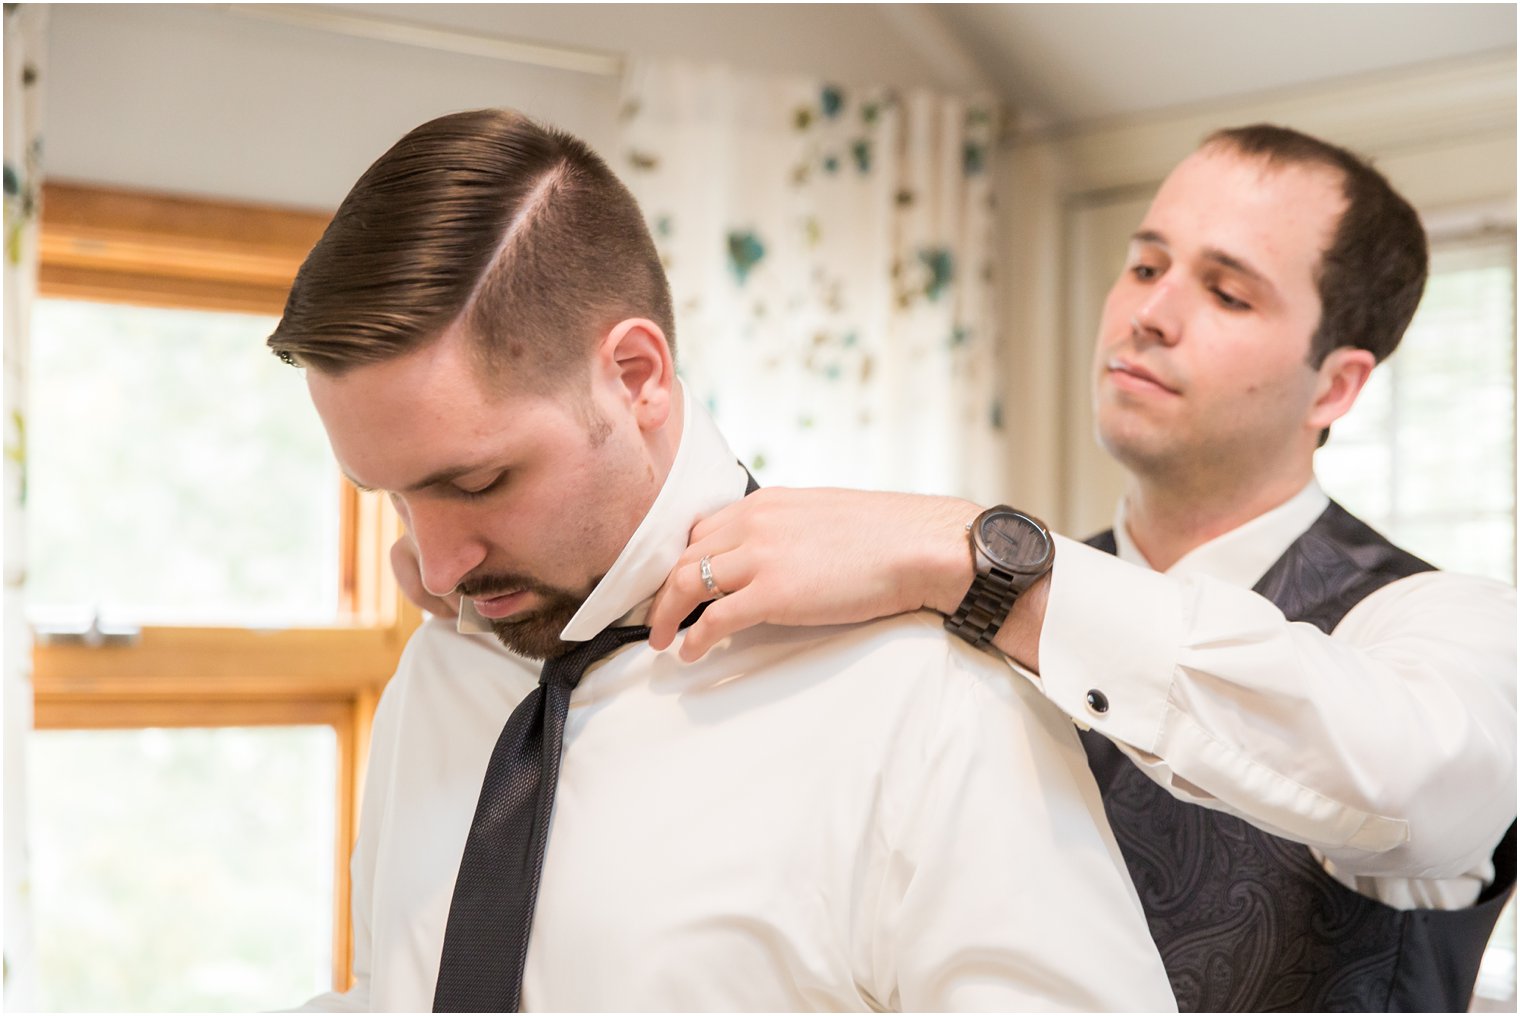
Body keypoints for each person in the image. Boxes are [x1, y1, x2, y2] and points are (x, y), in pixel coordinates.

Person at [397, 123, 1519, 1012]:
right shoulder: (934, 636)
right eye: (1142, 263)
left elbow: (1409, 781)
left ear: (1335, 387)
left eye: (1226, 291)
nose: (1150, 312)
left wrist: (974, 555)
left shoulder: (1439, 624)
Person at [275, 108, 1175, 1012]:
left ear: (636, 377)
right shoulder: (442, 675)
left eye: (478, 483)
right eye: (390, 496)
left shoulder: (923, 702)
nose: (435, 570)